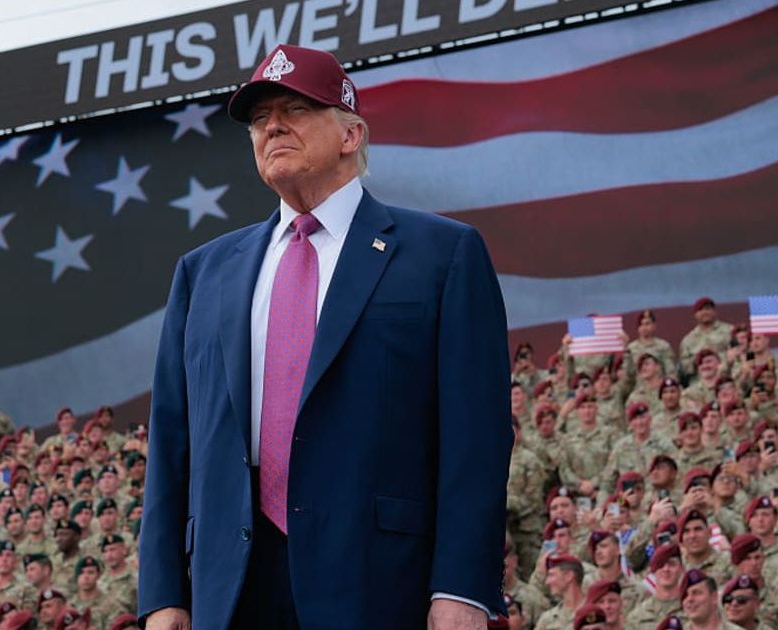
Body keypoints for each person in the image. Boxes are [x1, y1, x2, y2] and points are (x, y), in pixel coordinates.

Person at [138, 44, 512, 630]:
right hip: (229, 589)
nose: (273, 126)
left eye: (296, 109)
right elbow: (172, 441)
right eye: (260, 119)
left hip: (381, 583)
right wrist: (163, 595)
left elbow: (477, 439)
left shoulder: (442, 256)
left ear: (350, 134)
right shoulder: (202, 273)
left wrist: (463, 587)